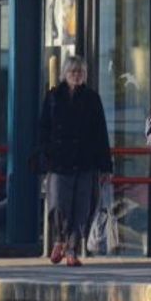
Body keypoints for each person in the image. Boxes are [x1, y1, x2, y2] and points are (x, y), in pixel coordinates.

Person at [38, 55, 114, 267]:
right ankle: (59, 240)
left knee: (82, 208)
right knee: (58, 204)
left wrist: (105, 165)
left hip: (85, 161)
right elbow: (44, 128)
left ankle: (72, 249)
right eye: (73, 72)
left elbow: (100, 133)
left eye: (80, 72)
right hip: (59, 161)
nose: (76, 75)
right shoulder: (53, 97)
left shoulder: (92, 98)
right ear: (65, 74)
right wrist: (46, 155)